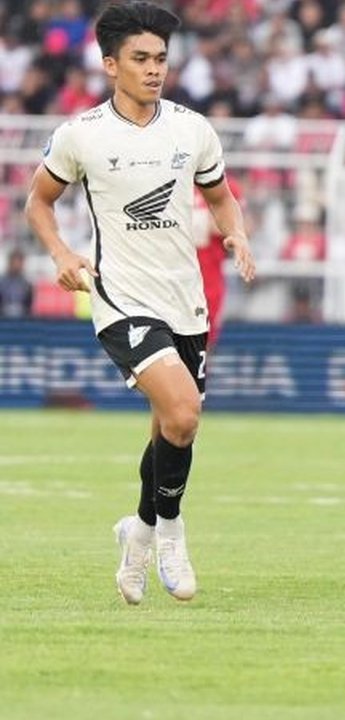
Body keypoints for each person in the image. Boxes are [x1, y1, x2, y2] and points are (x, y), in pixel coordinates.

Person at [24, 1, 255, 606]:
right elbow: (37, 203)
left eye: (160, 59)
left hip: (187, 300)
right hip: (122, 299)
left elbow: (220, 196)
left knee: (168, 430)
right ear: (110, 65)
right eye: (140, 59)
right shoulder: (82, 136)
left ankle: (140, 530)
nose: (154, 70)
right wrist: (60, 254)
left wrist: (236, 231)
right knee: (183, 414)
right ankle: (172, 534)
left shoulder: (193, 129)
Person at [192, 174, 243, 349]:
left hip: (209, 278)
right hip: (172, 275)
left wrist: (201, 222)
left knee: (204, 344)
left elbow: (243, 227)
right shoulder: (173, 180)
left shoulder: (224, 185)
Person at [0, 249, 34, 317]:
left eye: (19, 262)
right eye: (15, 262)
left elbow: (28, 306)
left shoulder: (27, 285)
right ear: (10, 262)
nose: (17, 265)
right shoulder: (2, 283)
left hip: (21, 321)